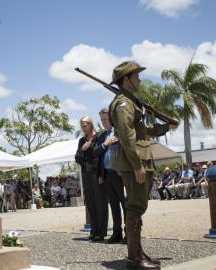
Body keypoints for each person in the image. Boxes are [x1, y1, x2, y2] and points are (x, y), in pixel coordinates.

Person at [109, 61, 172, 269]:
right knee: (135, 206)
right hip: (134, 161)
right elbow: (127, 136)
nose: (140, 79)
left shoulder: (132, 102)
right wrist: (137, 165)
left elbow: (141, 131)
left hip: (141, 158)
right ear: (126, 80)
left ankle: (137, 252)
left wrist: (164, 127)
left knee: (138, 206)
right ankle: (133, 258)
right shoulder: (123, 104)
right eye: (136, 76)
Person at [93, 108, 127, 244]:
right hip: (107, 175)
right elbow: (95, 152)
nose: (103, 122)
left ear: (112, 118)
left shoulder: (121, 131)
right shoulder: (102, 136)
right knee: (114, 206)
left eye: (105, 119)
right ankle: (116, 233)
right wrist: (106, 144)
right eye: (101, 120)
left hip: (120, 174)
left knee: (125, 206)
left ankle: (129, 233)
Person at [75, 116, 108, 242]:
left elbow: (99, 153)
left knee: (100, 203)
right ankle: (94, 231)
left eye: (85, 125)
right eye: (82, 125)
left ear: (90, 124)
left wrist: (101, 174)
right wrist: (83, 149)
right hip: (86, 174)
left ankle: (101, 232)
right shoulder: (82, 140)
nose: (84, 127)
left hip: (97, 173)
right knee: (91, 203)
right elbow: (77, 158)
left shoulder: (99, 137)